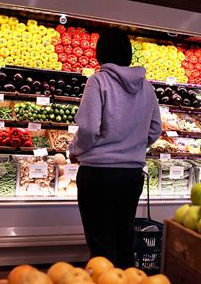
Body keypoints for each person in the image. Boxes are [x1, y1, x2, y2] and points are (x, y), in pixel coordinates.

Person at [69, 28, 162, 269]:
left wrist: (76, 150)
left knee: (100, 243)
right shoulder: (147, 87)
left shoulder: (98, 81)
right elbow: (154, 130)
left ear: (100, 54)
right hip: (131, 175)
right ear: (128, 55)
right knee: (124, 239)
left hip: (98, 174)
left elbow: (88, 128)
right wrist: (133, 146)